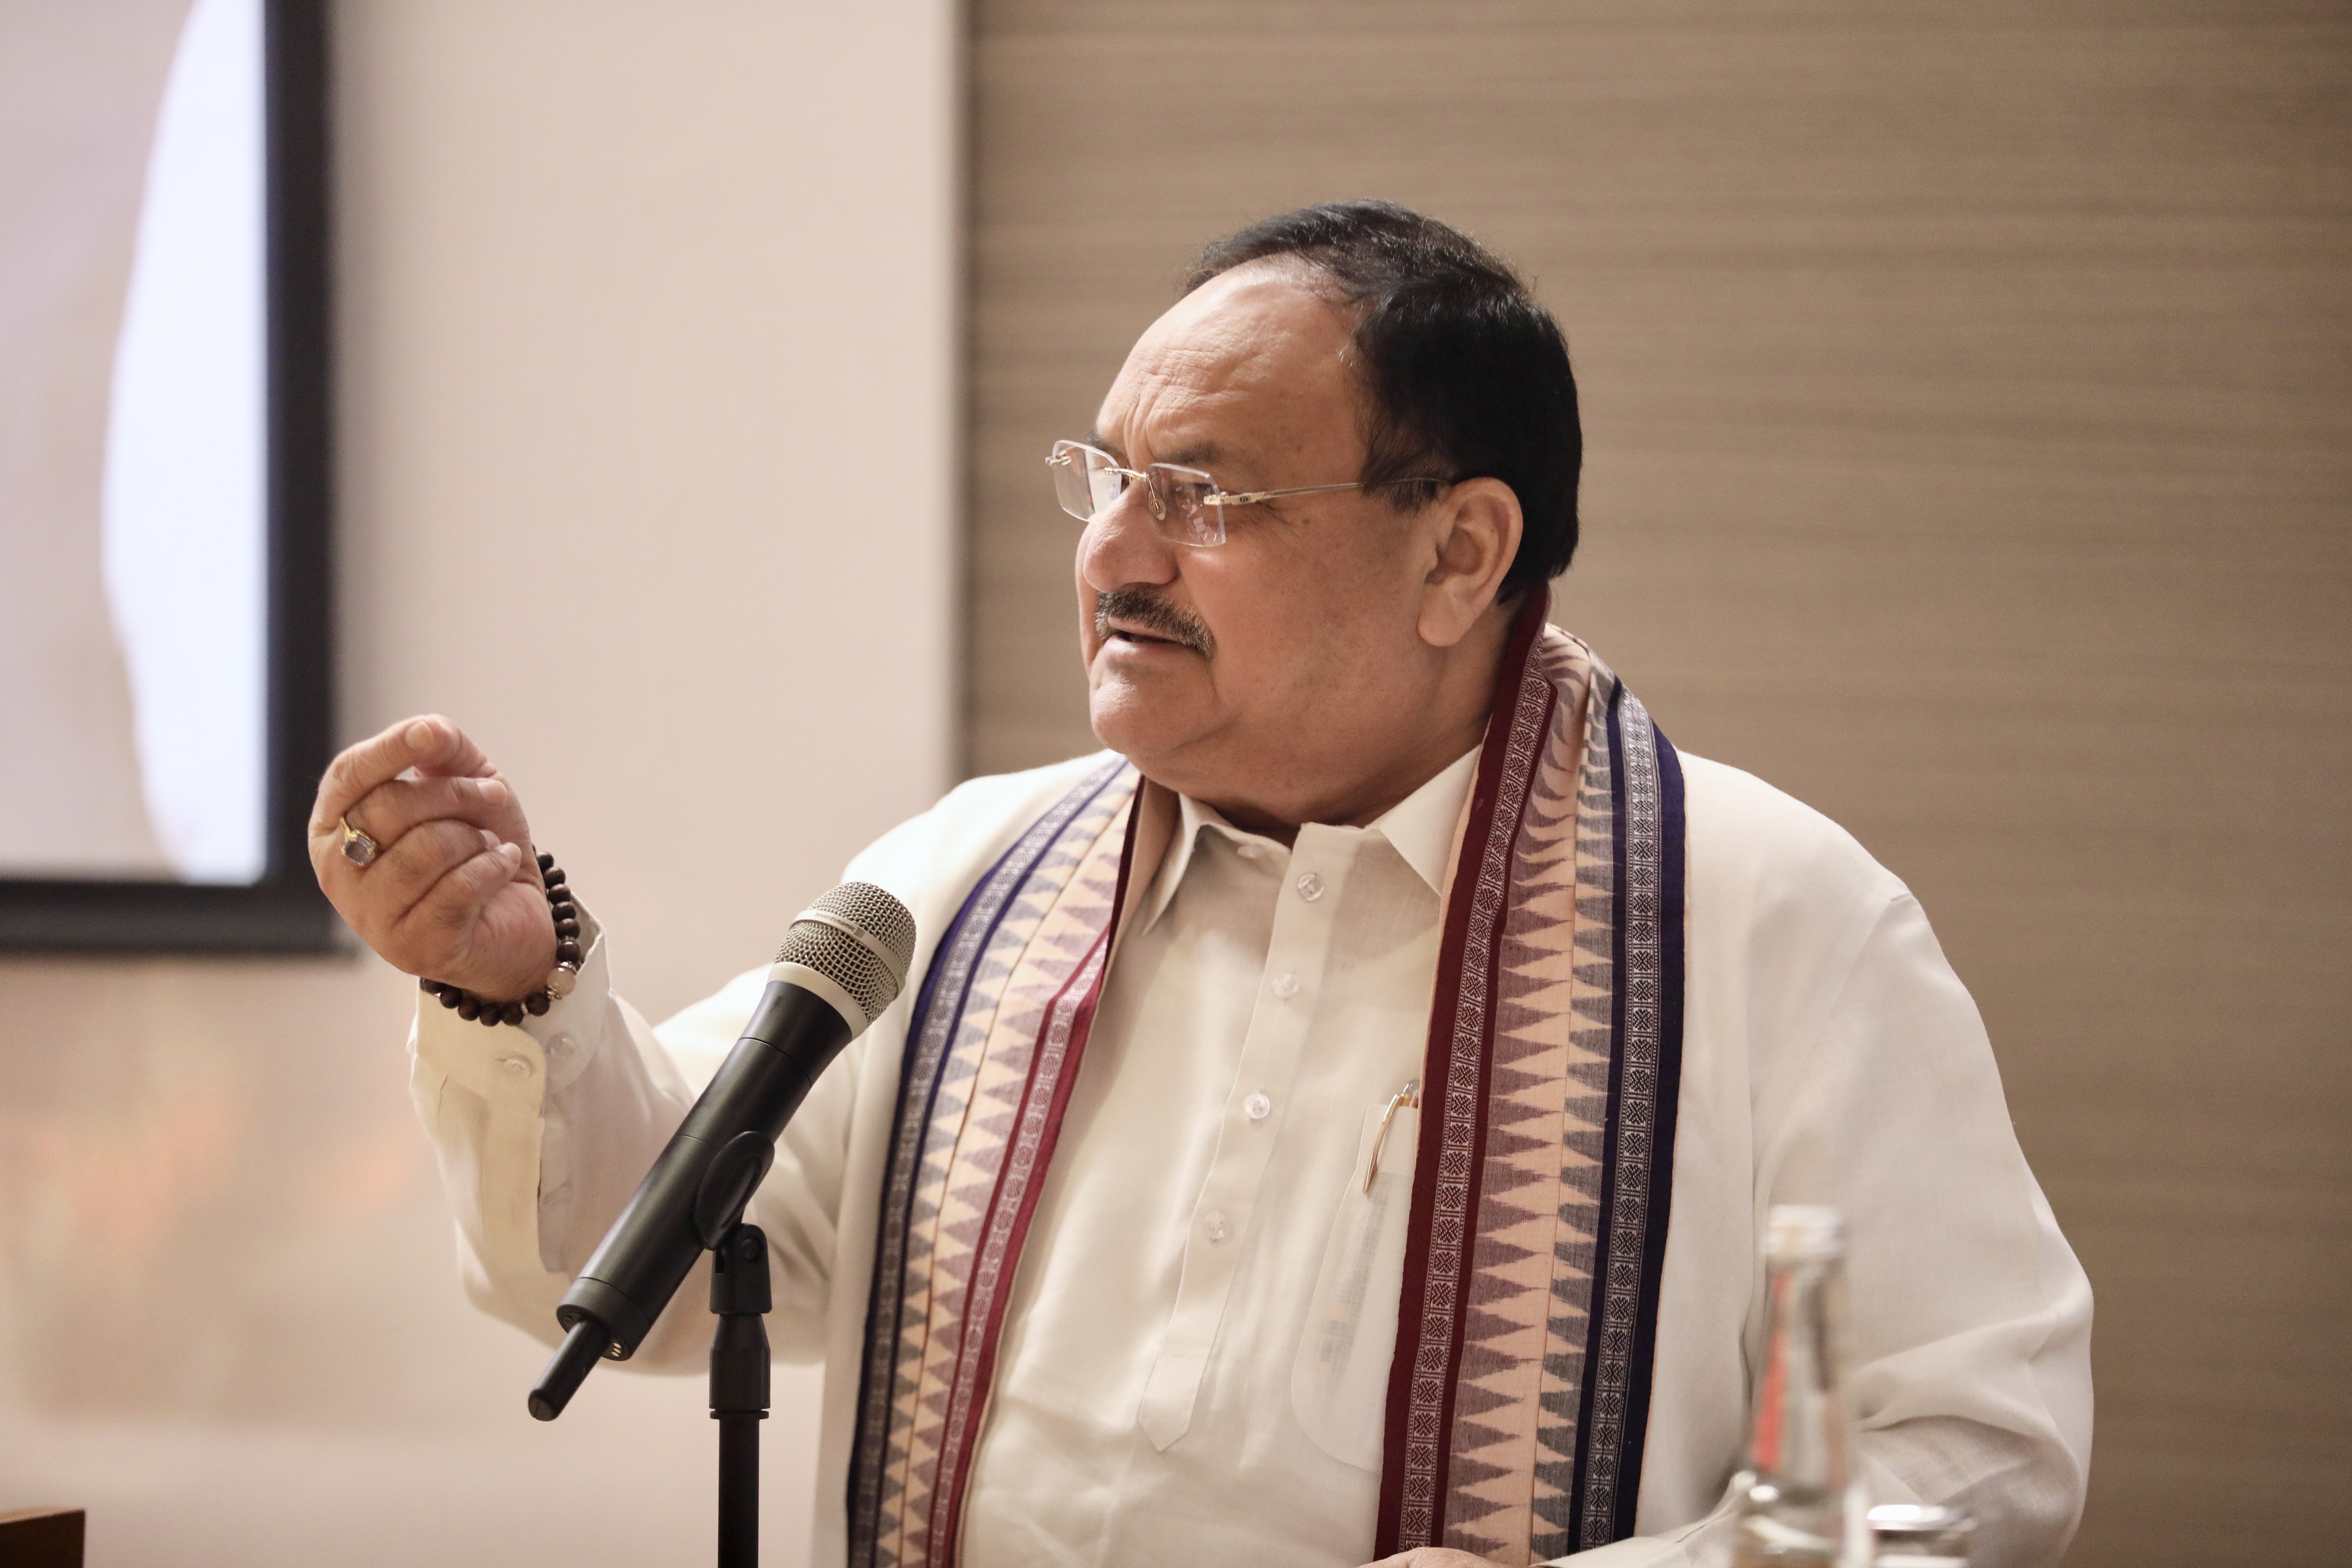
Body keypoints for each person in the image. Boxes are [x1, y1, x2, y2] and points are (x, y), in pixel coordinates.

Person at [310, 202, 2091, 1568]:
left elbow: (1976, 1447)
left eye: (1207, 497)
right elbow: (665, 1257)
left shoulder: (1772, 924)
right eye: (1108, 478)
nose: (1112, 554)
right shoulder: (970, 878)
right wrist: (516, 994)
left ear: (1460, 552)